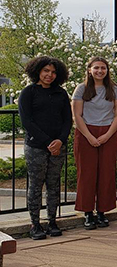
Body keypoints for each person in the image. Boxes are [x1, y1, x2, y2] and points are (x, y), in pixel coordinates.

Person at [18, 56, 72, 240]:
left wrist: (60, 141)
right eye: (46, 71)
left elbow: (67, 120)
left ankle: (52, 221)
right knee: (35, 186)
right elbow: (27, 121)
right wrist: (48, 142)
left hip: (58, 146)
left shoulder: (61, 94)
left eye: (53, 72)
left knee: (54, 184)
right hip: (36, 147)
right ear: (38, 71)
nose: (50, 75)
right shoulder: (28, 92)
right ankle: (35, 224)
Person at [72, 56, 117, 229]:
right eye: (96, 68)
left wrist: (108, 134)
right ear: (89, 70)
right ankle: (87, 213)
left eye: (103, 68)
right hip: (85, 133)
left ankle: (102, 211)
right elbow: (77, 115)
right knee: (86, 174)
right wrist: (89, 136)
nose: (100, 71)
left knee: (106, 173)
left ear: (107, 70)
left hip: (108, 133)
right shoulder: (81, 89)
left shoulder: (114, 90)